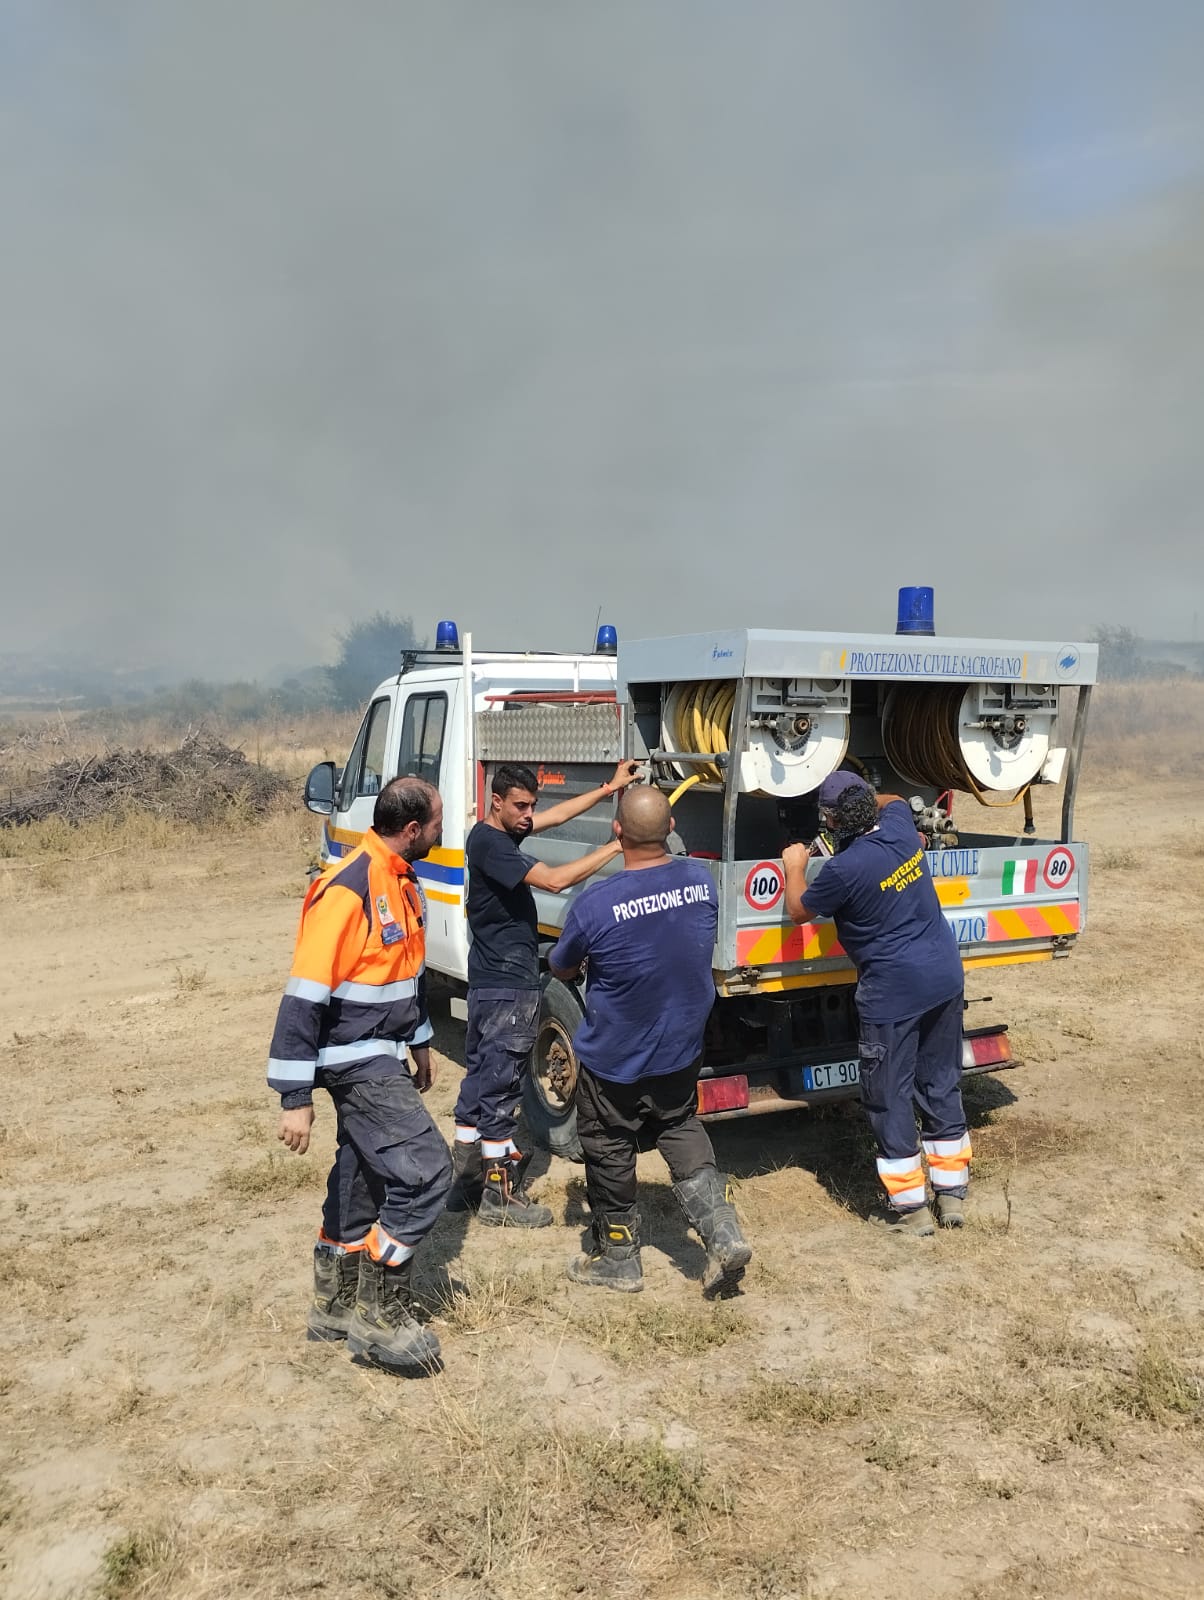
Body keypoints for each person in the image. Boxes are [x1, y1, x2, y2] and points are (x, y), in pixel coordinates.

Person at [268, 776, 452, 1374]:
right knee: (426, 1172)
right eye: (439, 821)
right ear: (413, 829)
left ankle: (335, 1305)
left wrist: (421, 1043)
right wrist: (295, 1095)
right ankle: (380, 1311)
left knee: (363, 1175)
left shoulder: (402, 881)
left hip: (385, 1050)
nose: (444, 830)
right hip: (355, 1060)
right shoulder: (347, 889)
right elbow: (302, 998)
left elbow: (404, 973)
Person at [548, 786, 752, 1297]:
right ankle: (722, 1232)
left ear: (617, 833)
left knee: (608, 1144)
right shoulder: (700, 883)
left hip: (616, 1056)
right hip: (680, 1046)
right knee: (679, 1125)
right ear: (672, 826)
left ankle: (619, 1257)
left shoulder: (595, 902)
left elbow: (563, 965)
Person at [451, 759, 644, 1226]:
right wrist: (618, 844)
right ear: (495, 801)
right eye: (520, 806)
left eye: (531, 805)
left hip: (488, 981)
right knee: (500, 1086)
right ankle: (499, 1198)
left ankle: (464, 1183)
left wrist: (608, 789)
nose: (528, 814)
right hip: (507, 985)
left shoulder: (495, 831)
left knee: (480, 1078)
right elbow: (557, 880)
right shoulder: (492, 844)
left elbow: (556, 817)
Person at [781, 770, 971, 1236]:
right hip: (944, 976)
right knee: (941, 1081)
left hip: (893, 995)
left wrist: (794, 867)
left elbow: (798, 910)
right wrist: (868, 798)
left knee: (889, 1095)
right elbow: (895, 800)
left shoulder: (845, 871)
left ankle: (913, 1210)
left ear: (831, 820)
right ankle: (952, 1196)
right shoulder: (902, 829)